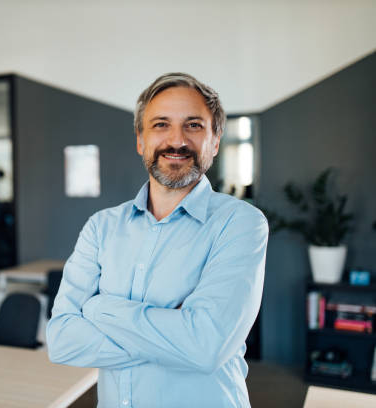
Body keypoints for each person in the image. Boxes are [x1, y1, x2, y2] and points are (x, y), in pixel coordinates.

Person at [46, 73, 268, 407]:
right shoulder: (100, 227)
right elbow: (62, 340)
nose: (176, 140)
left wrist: (98, 307)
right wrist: (172, 335)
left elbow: (205, 347)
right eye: (161, 124)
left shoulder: (240, 223)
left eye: (193, 125)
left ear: (216, 140)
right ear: (140, 139)